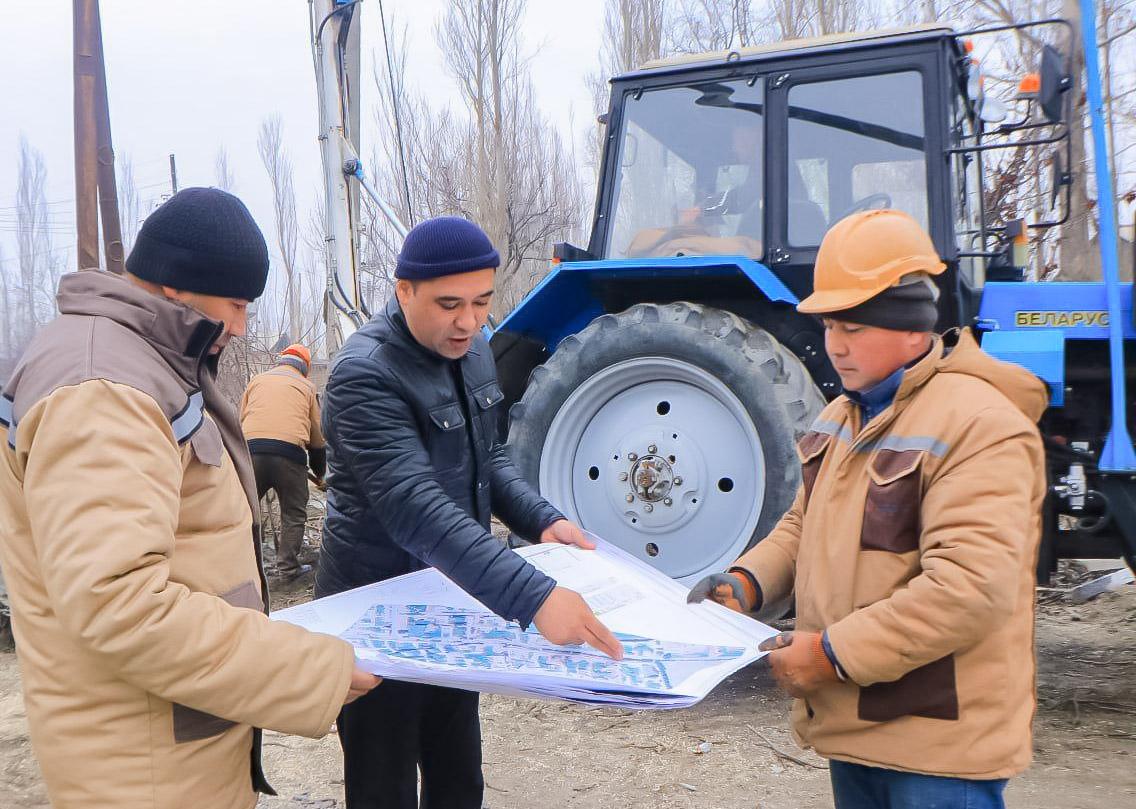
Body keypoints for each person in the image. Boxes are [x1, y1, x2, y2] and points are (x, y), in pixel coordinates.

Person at [0, 187, 379, 809]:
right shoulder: (103, 387)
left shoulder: (140, 361)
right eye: (236, 303)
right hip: (141, 763)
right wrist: (312, 670)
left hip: (175, 729)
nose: (240, 325)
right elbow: (119, 603)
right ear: (179, 284)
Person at [688, 209, 1047, 809]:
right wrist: (745, 584)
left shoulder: (980, 424)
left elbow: (968, 588)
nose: (835, 346)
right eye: (830, 326)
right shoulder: (842, 416)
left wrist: (830, 656)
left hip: (938, 751)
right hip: (858, 728)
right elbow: (803, 526)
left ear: (912, 328)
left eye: (853, 328)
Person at [318, 215, 623, 809]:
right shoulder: (364, 374)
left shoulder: (475, 350)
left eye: (483, 302)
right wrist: (533, 596)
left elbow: (490, 460)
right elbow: (414, 507)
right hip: (379, 609)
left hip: (456, 595)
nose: (468, 321)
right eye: (449, 304)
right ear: (404, 291)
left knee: (458, 778)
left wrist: (540, 519)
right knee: (384, 786)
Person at [241, 342, 326, 580]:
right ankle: (288, 569)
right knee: (294, 514)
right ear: (305, 368)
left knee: (245, 511)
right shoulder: (307, 387)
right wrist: (320, 473)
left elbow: (240, 421)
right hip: (290, 454)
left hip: (250, 451)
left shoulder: (257, 381)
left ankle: (244, 567)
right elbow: (317, 439)